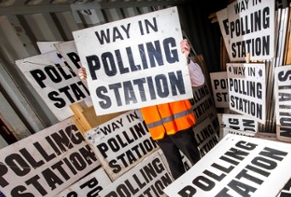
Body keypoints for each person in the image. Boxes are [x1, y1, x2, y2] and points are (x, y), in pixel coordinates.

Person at [79, 39, 205, 179]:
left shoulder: (170, 66)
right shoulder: (134, 78)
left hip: (181, 127)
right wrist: (91, 79)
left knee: (198, 165)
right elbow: (114, 95)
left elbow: (199, 81)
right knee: (177, 172)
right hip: (159, 133)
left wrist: (185, 60)